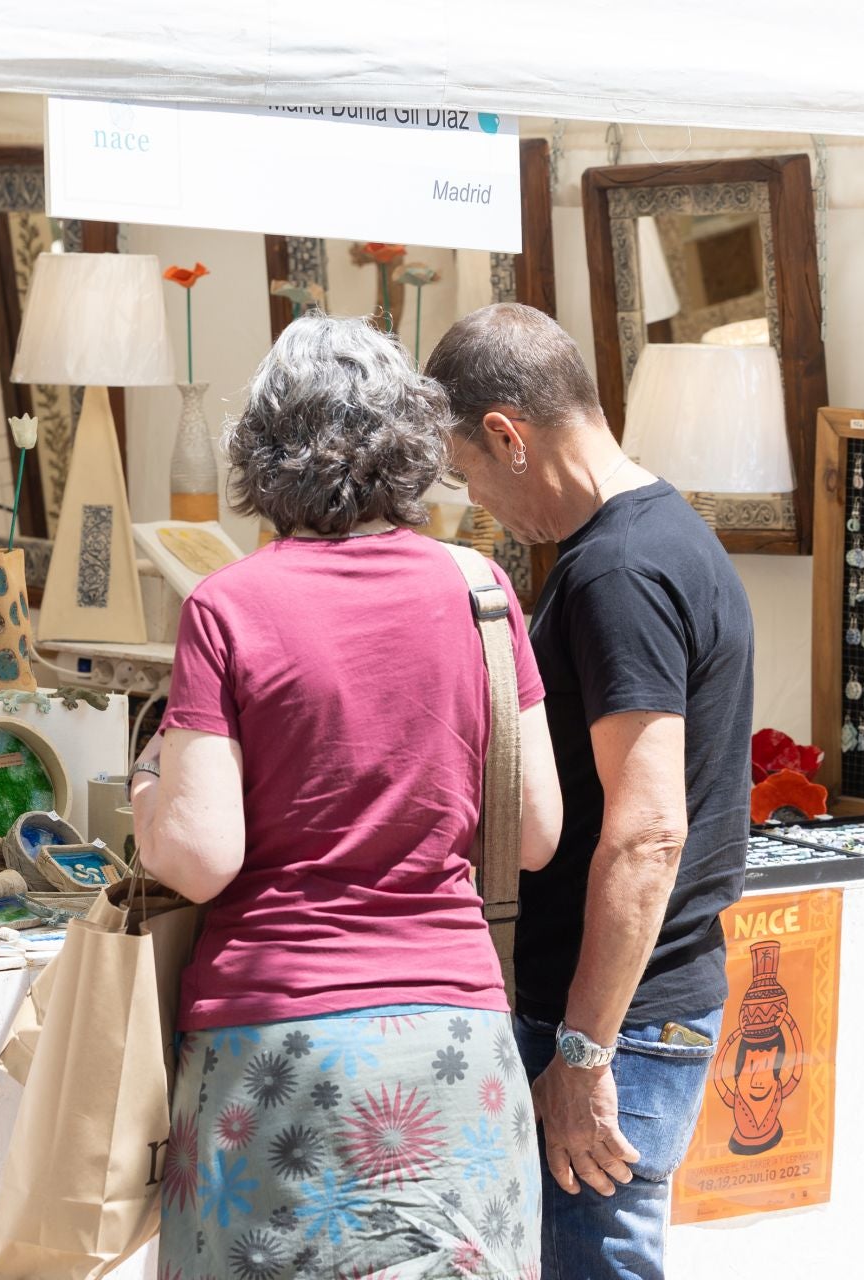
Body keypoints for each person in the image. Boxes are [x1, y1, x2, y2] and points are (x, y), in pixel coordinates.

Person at [131, 313, 563, 1278]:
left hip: (281, 1049)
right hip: (457, 1040)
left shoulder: (230, 605)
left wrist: (148, 783)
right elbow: (536, 833)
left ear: (263, 453)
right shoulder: (482, 592)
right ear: (412, 442)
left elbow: (201, 855)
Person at [424, 302, 755, 1280]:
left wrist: (581, 1051)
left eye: (469, 472)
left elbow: (649, 827)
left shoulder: (618, 568)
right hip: (640, 1005)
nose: (478, 500)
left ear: (506, 435)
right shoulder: (665, 535)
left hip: (619, 1018)